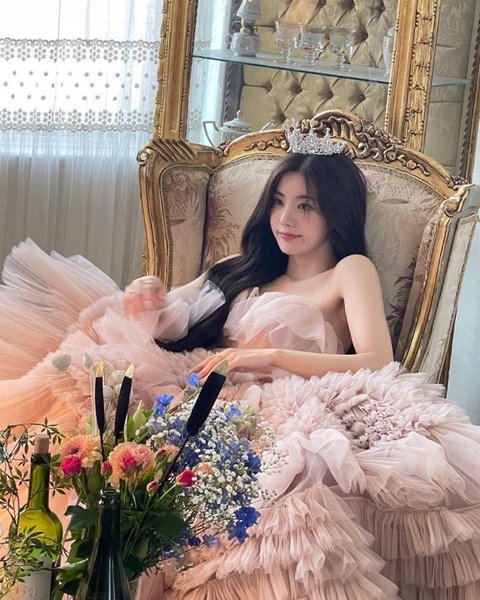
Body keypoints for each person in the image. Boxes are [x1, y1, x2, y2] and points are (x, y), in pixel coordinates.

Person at [0, 133, 479, 600]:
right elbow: (170, 311)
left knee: (284, 489)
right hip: (204, 392)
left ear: (336, 213)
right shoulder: (240, 267)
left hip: (283, 405)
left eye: (306, 206)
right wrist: (149, 291)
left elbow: (377, 360)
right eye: (278, 202)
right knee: (88, 384)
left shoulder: (349, 271)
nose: (285, 219)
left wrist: (267, 356)